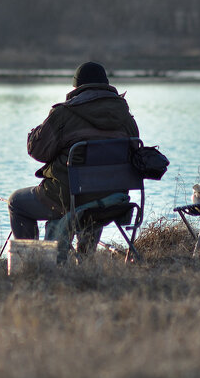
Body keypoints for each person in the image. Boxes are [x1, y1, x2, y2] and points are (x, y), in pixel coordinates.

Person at [8, 62, 140, 248]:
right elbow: (135, 153)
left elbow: (38, 151)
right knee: (96, 189)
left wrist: (34, 134)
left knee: (16, 202)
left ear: (77, 87)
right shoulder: (126, 117)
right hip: (112, 198)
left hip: (67, 197)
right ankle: (86, 257)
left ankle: (33, 260)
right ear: (106, 85)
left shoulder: (64, 113)